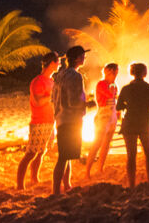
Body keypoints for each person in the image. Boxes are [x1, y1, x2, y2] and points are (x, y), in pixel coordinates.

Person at [51, 46, 94, 195]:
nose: (84, 58)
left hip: (61, 118)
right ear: (77, 58)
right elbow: (72, 102)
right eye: (82, 56)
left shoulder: (59, 74)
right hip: (71, 119)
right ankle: (56, 191)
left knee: (66, 154)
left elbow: (54, 99)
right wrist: (88, 104)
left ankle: (67, 185)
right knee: (63, 157)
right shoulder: (75, 76)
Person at [16, 52, 59, 190]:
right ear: (52, 63)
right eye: (58, 62)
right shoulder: (38, 81)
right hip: (39, 121)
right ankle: (20, 185)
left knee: (41, 151)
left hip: (50, 121)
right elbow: (39, 101)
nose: (59, 65)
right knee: (31, 153)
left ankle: (34, 178)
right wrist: (53, 95)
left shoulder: (51, 81)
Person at [116, 63, 149, 187]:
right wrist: (144, 105)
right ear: (144, 73)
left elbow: (118, 106)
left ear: (132, 73)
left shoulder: (125, 88)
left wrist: (129, 106)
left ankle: (131, 184)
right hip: (146, 123)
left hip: (130, 123)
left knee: (131, 156)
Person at [86, 63, 119, 179]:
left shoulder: (113, 85)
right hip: (103, 115)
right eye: (114, 71)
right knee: (97, 143)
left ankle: (100, 168)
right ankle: (87, 172)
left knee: (106, 144)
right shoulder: (101, 84)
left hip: (112, 115)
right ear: (108, 71)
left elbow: (115, 99)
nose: (116, 74)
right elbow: (110, 95)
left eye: (116, 72)